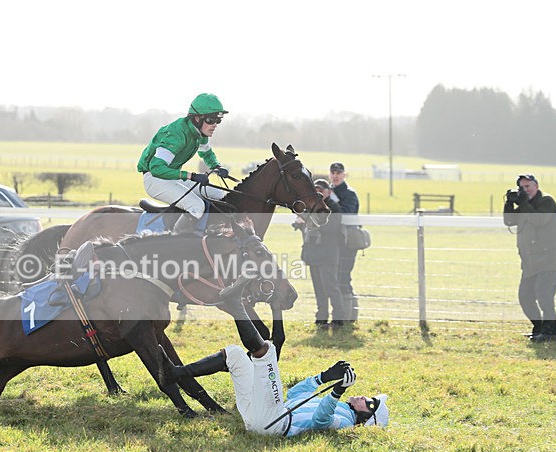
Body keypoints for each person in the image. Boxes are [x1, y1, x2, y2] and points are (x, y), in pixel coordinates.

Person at [166, 277, 389, 436]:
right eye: (370, 398)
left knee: (268, 352)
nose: (364, 398)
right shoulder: (339, 407)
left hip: (274, 423)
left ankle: (235, 304)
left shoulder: (345, 422)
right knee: (234, 354)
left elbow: (322, 421)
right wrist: (323, 377)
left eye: (370, 404)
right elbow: (293, 395)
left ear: (366, 420)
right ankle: (175, 374)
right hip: (261, 415)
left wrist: (337, 392)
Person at [137, 93, 230, 233]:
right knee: (197, 207)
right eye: (211, 120)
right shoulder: (176, 134)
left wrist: (216, 166)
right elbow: (156, 168)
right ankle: (176, 240)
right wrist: (191, 176)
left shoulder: (200, 134)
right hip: (155, 179)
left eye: (218, 120)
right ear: (197, 118)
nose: (215, 125)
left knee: (221, 195)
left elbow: (206, 153)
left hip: (171, 177)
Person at [503, 174, 556, 343]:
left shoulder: (547, 201)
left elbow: (539, 221)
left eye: (528, 186)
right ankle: (539, 329)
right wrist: (509, 202)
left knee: (544, 295)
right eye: (522, 187)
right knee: (525, 297)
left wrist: (522, 203)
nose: (525, 190)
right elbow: (509, 221)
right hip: (530, 261)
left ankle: (550, 333)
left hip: (550, 258)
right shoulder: (524, 204)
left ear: (536, 186)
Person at [294, 179, 346, 328]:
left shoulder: (334, 208)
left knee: (331, 287)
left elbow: (331, 228)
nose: (318, 193)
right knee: (318, 289)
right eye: (316, 190)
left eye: (321, 191)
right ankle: (321, 317)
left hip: (328, 254)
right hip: (313, 253)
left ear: (328, 192)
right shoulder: (311, 207)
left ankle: (338, 320)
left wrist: (307, 220)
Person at [329, 162, 361, 322]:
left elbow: (346, 214)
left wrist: (332, 200)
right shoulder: (327, 192)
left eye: (338, 173)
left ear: (344, 175)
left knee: (343, 276)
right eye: (333, 172)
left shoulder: (350, 194)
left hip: (348, 242)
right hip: (332, 242)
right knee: (334, 278)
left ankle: (350, 316)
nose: (335, 176)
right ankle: (341, 315)